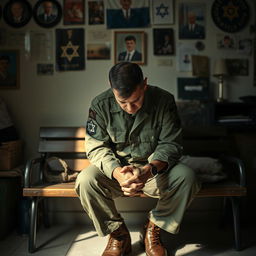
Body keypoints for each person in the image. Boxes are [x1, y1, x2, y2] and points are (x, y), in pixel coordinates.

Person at [75, 62, 200, 256]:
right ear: (111, 87)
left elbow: (171, 144)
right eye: (122, 102)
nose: (129, 108)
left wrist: (148, 170)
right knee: (85, 180)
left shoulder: (164, 100)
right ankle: (119, 234)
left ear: (145, 84)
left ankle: (153, 228)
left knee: (187, 177)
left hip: (154, 172)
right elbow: (96, 147)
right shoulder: (99, 105)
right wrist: (117, 172)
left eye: (136, 100)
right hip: (116, 173)